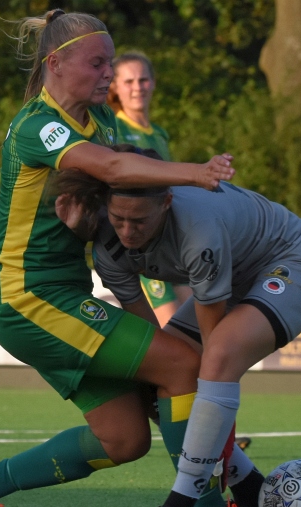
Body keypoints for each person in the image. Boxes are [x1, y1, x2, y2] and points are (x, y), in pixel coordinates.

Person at [0, 10, 268, 507]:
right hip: (29, 298)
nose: (108, 73)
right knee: (183, 364)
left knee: (124, 438)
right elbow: (114, 173)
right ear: (56, 63)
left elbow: (115, 201)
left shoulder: (105, 125)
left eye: (111, 62)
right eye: (98, 62)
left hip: (65, 296)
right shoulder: (36, 124)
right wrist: (196, 173)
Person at [53, 144, 301, 507]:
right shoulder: (107, 243)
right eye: (118, 219)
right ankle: (248, 486)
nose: (128, 232)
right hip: (235, 275)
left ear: (166, 203)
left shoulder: (198, 228)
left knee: (217, 358)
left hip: (293, 262)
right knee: (163, 376)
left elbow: (217, 349)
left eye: (140, 221)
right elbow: (150, 340)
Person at [107, 51, 186, 325]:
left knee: (198, 328)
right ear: (115, 87)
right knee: (172, 333)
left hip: (172, 246)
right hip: (140, 248)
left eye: (143, 80)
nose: (137, 87)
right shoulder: (112, 126)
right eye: (128, 82)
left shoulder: (159, 133)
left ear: (153, 83)